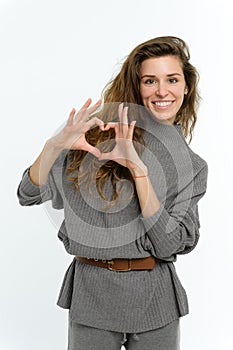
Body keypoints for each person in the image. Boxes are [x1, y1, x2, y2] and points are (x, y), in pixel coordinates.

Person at [17, 36, 208, 350]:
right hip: (92, 293)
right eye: (150, 81)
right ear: (137, 86)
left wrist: (138, 170)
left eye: (172, 79)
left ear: (186, 87)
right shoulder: (93, 141)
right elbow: (27, 194)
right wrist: (54, 146)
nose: (162, 91)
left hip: (155, 300)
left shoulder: (191, 165)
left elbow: (169, 245)